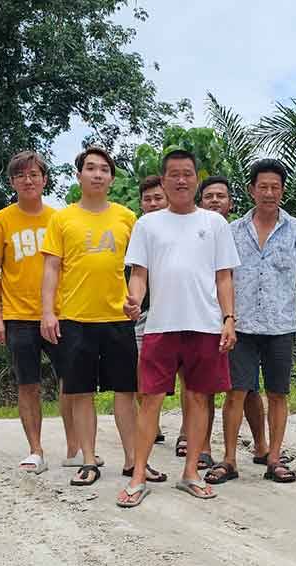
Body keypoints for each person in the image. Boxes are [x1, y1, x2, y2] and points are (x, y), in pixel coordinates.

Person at [117, 149, 239, 508]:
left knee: (200, 397)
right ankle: (139, 475)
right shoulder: (147, 224)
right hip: (160, 325)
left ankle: (190, 472)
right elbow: (138, 274)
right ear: (164, 179)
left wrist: (229, 319)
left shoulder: (215, 224)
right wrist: (134, 300)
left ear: (197, 179)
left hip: (205, 324)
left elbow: (224, 277)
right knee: (150, 399)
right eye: (174, 174)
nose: (181, 180)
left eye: (188, 173)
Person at [212, 159, 296, 486]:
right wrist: (227, 318)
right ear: (251, 190)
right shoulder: (232, 231)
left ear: (282, 191)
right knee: (235, 393)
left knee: (277, 393)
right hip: (241, 326)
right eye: (263, 187)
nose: (269, 193)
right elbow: (224, 277)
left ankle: (274, 458)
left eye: (275, 187)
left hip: (280, 326)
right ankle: (229, 459)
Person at [40, 147, 143, 486]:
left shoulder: (127, 218)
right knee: (81, 392)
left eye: (104, 169)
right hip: (75, 319)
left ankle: (133, 462)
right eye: (90, 168)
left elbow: (140, 268)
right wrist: (47, 313)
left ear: (112, 178)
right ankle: (88, 459)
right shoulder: (62, 218)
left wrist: (136, 300)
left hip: (117, 318)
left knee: (126, 392)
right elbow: (52, 267)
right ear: (79, 175)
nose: (97, 174)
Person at [0, 150, 81, 475]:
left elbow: (72, 266)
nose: (28, 180)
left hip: (58, 313)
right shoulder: (1, 220)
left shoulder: (60, 218)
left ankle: (74, 447)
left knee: (72, 380)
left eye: (34, 174)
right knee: (29, 383)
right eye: (21, 175)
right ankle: (36, 450)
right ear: (12, 182)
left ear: (45, 179)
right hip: (18, 315)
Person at [198, 176, 270, 470]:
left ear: (231, 203)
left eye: (221, 196)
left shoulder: (241, 233)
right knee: (204, 386)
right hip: (203, 318)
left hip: (239, 321)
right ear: (200, 201)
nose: (215, 201)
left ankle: (261, 446)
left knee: (247, 386)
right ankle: (202, 447)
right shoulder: (195, 232)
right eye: (209, 196)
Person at [131, 176, 169, 446]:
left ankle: (185, 436)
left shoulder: (184, 226)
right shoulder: (138, 230)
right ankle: (150, 425)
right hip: (144, 314)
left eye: (158, 197)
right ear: (141, 203)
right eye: (148, 199)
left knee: (189, 382)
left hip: (180, 314)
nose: (153, 203)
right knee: (142, 373)